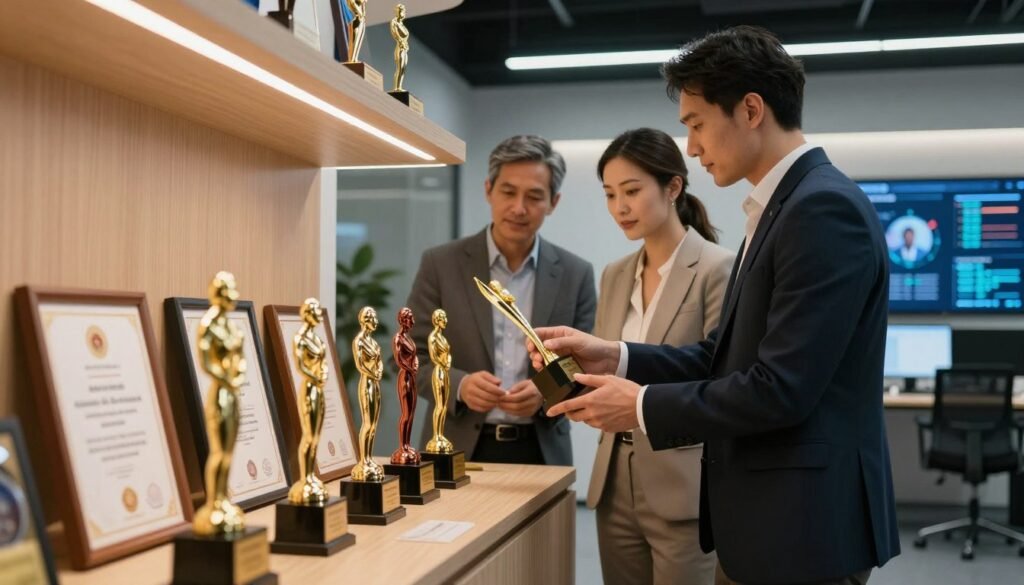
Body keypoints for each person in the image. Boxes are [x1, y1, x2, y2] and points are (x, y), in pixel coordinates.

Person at [532, 26, 899, 585]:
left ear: (751, 109)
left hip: (805, 528)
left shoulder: (821, 210)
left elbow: (781, 388)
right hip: (772, 521)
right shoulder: (780, 208)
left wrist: (641, 406)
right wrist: (618, 357)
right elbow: (725, 357)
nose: (693, 147)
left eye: (697, 125)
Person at [589, 128, 734, 585]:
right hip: (615, 479)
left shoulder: (718, 267)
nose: (620, 208)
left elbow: (717, 375)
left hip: (683, 481)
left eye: (632, 191)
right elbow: (606, 361)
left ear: (673, 187)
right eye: (610, 195)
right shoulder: (615, 275)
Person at [407, 135, 596, 465]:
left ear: (554, 202)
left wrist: (545, 390)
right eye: (508, 192)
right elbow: (410, 357)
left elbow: (585, 364)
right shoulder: (441, 264)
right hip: (454, 445)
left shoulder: (575, 273)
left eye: (534, 196)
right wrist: (460, 384)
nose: (519, 208)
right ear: (488, 190)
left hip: (542, 450)